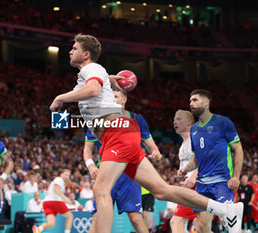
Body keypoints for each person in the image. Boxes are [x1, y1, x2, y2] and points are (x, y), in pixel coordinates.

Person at [49, 33, 243, 233]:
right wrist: (107, 79)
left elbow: (93, 90)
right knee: (162, 191)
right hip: (120, 135)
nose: (70, 51)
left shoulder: (92, 68)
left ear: (86, 54)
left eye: (75, 48)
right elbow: (92, 86)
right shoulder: (89, 74)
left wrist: (60, 98)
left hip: (117, 135)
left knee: (100, 190)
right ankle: (227, 209)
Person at [84, 88, 160, 233]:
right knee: (97, 217)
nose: (112, 99)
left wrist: (155, 152)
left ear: (124, 99)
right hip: (107, 175)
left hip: (130, 175)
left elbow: (152, 146)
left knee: (136, 218)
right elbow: (87, 149)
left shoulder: (137, 119)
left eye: (116, 96)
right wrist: (91, 165)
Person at [178, 89, 244, 233]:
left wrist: (236, 176)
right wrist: (185, 170)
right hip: (202, 184)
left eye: (195, 100)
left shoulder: (223, 122)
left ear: (206, 102)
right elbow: (196, 158)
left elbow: (238, 149)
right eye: (190, 101)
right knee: (201, 226)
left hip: (222, 181)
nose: (191, 104)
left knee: (229, 223)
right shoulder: (194, 129)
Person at [171, 110, 198, 233]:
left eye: (178, 119)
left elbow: (206, 159)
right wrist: (182, 174)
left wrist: (193, 176)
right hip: (189, 186)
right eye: (174, 119)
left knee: (176, 221)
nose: (174, 122)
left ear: (188, 122)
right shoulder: (183, 145)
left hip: (197, 184)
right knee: (202, 226)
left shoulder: (196, 137)